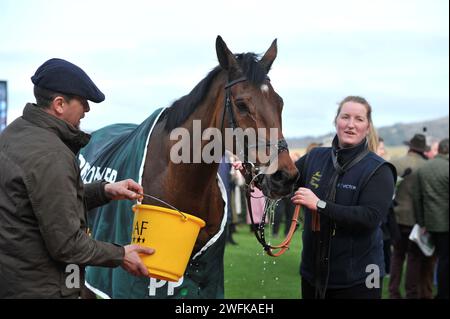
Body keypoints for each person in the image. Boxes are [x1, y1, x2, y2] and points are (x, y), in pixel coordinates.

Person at [0, 58, 154, 298]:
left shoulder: (15, 132)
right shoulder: (52, 155)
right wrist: (121, 254)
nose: (87, 110)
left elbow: (42, 203)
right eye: (83, 102)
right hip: (42, 288)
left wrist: (105, 191)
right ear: (60, 104)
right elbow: (67, 245)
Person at [291, 95, 396, 299]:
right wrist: (254, 175)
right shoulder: (315, 157)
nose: (350, 125)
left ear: (368, 126)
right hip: (314, 274)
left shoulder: (379, 169)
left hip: (361, 277)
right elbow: (283, 182)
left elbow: (369, 218)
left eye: (359, 119)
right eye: (345, 117)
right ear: (336, 121)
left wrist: (319, 204)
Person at [388, 133, 436, 299]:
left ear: (410, 146)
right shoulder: (428, 167)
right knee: (414, 260)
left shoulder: (395, 163)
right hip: (416, 221)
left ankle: (393, 292)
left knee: (397, 256)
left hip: (395, 218)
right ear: (423, 150)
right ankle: (411, 293)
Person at [413, 138, 449, 299]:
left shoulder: (424, 168)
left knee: (440, 259)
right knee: (445, 261)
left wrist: (422, 222)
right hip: (446, 223)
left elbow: (417, 198)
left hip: (431, 223)